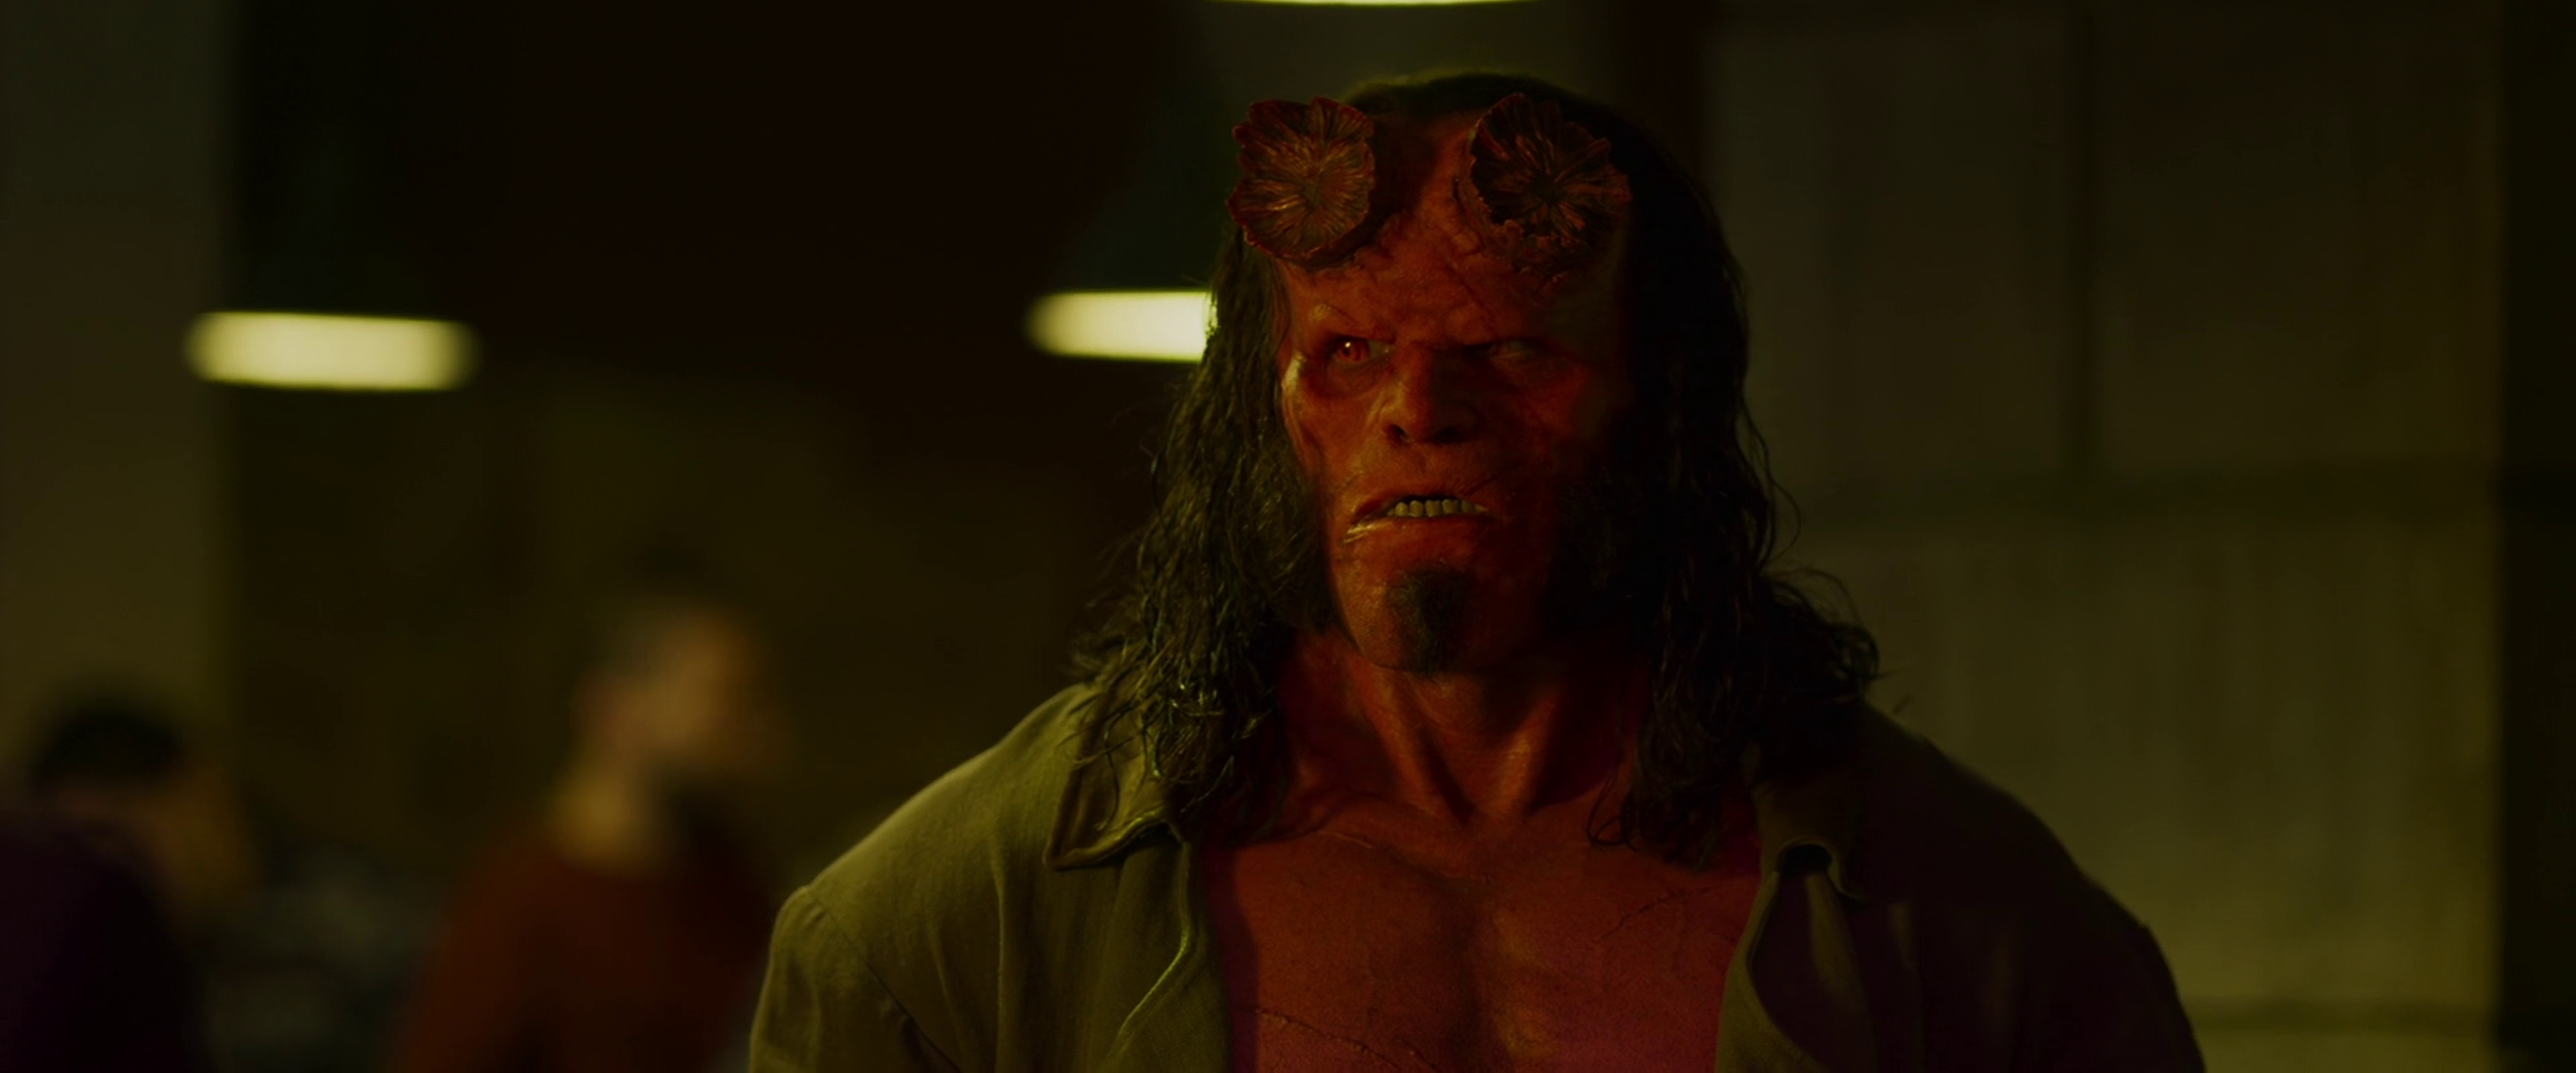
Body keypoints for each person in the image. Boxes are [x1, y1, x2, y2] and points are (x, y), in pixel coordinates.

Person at [750, 74, 2200, 1071]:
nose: (1420, 410)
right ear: (1262, 412)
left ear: (1657, 404)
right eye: (1348, 353)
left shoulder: (1967, 919)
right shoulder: (952, 922)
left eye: (1511, 349)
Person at [391, 592, 785, 1073]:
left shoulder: (730, 890)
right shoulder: (524, 903)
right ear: (616, 709)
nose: (762, 740)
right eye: (731, 704)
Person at [0, 693, 247, 1072]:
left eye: (109, 835)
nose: (101, 871)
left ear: (202, 796)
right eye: (71, 850)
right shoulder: (76, 976)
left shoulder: (310, 933)